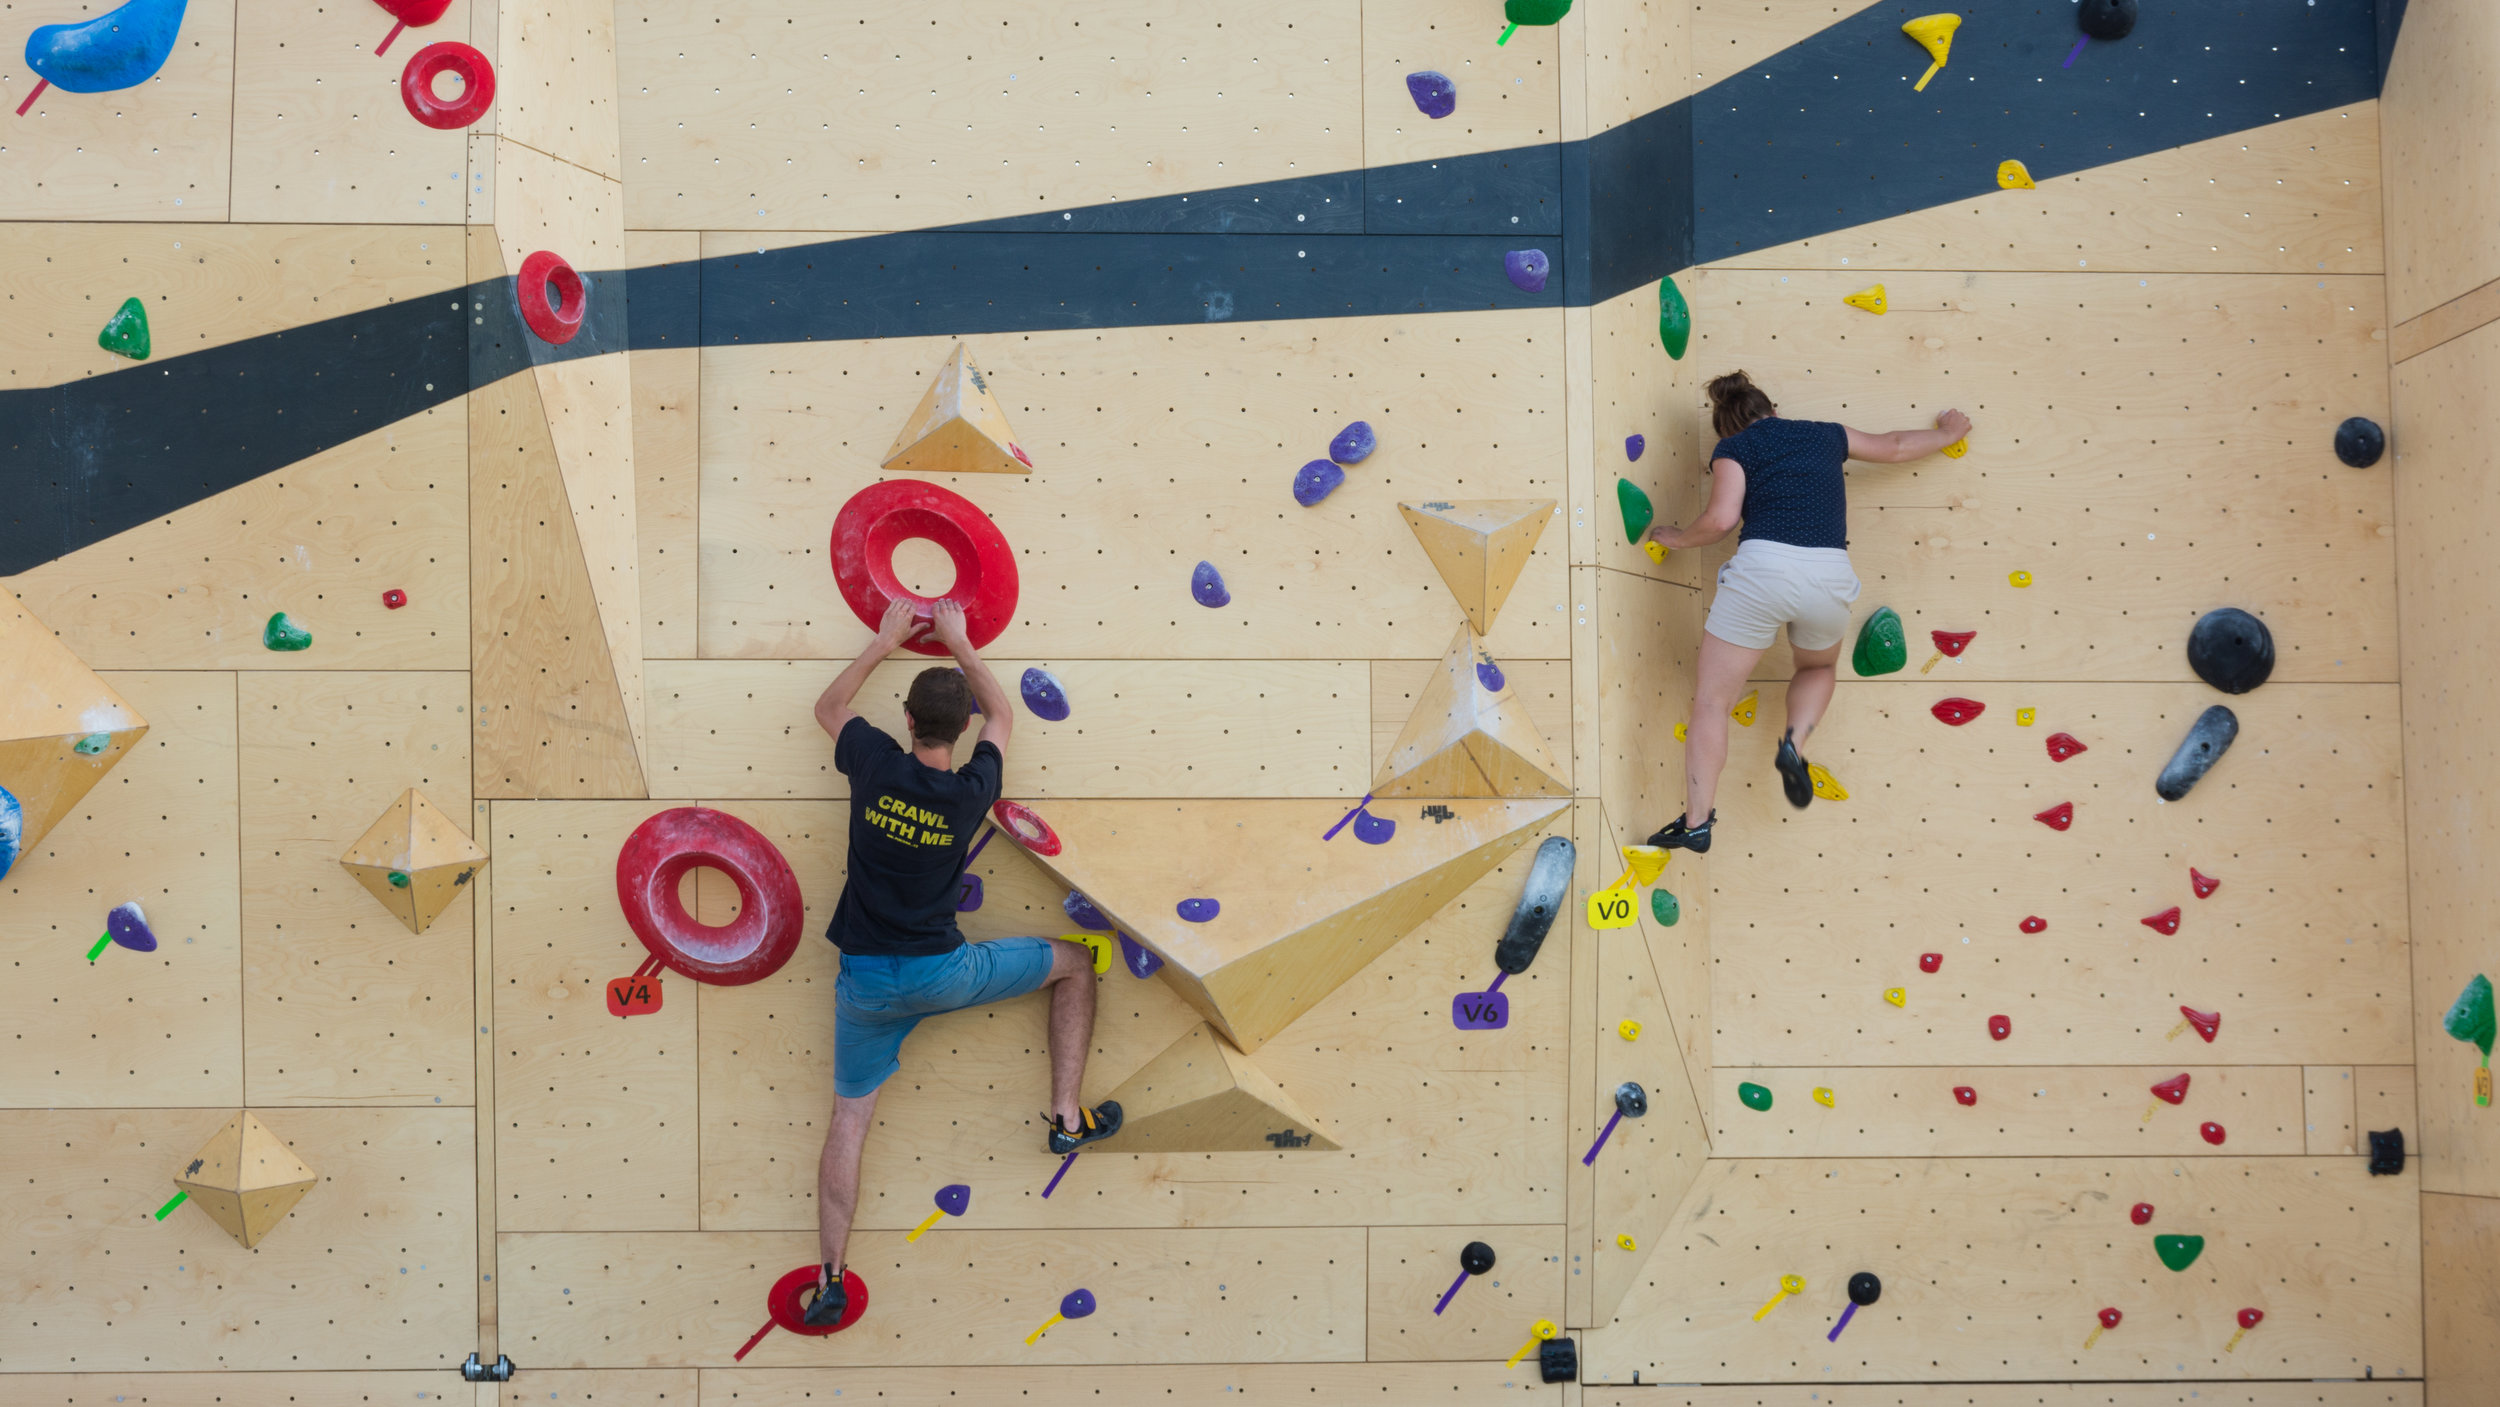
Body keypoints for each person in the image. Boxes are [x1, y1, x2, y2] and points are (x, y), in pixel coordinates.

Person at [802, 597, 1121, 1327]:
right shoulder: (973, 787)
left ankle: (832, 1280)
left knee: (848, 1125)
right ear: (960, 727)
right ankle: (1066, 1117)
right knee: (1074, 963)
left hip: (864, 987)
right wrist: (962, 642)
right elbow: (1005, 718)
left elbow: (829, 704)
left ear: (907, 722)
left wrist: (885, 640)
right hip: (942, 975)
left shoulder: (874, 762)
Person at [1641, 370, 1970, 851]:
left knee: (1713, 702)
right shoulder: (1824, 434)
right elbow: (1895, 445)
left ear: (1727, 425)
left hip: (1763, 570)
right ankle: (1793, 744)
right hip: (1828, 572)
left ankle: (1697, 823)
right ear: (1772, 408)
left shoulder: (1735, 448)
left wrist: (1676, 538)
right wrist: (1947, 434)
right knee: (1817, 667)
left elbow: (1721, 519)